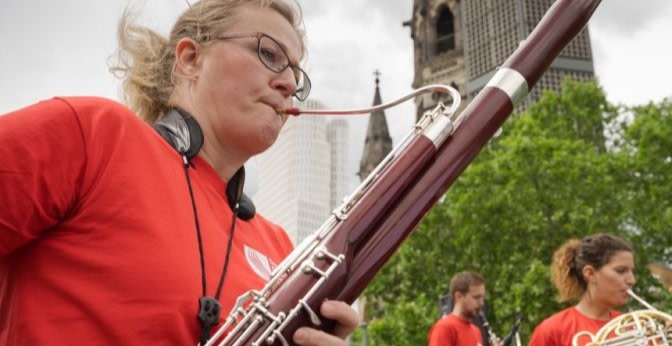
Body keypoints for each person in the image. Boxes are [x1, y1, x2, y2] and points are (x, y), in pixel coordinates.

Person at [0, 0, 358, 345]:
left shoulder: (280, 247)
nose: (290, 85)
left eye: (296, 74)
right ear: (190, 59)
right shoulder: (94, 135)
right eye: (269, 54)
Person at [528, 234, 672, 346]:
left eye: (631, 271)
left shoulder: (640, 327)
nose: (631, 280)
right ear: (590, 273)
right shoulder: (552, 330)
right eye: (621, 271)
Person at [429, 271, 501, 346]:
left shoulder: (476, 331)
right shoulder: (444, 328)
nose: (481, 303)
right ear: (458, 296)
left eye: (482, 298)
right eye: (476, 297)